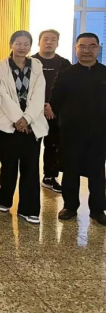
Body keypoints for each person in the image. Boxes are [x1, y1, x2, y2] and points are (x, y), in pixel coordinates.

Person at [51, 33, 106, 226]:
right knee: (70, 170)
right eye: (82, 46)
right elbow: (54, 103)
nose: (87, 50)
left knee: (97, 172)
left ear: (98, 48)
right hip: (71, 132)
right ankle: (70, 206)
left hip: (100, 133)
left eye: (92, 46)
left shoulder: (104, 73)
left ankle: (98, 209)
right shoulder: (66, 74)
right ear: (76, 49)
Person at [0, 31, 47, 225]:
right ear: (11, 44)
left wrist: (27, 118)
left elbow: (39, 94)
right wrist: (18, 119)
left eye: (26, 44)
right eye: (18, 43)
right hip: (8, 125)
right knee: (8, 166)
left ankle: (29, 209)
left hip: (32, 126)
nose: (22, 47)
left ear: (30, 46)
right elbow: (2, 94)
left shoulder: (37, 65)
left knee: (31, 167)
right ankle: (4, 200)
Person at [32, 29, 71, 193]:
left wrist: (52, 106)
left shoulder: (64, 63)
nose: (49, 42)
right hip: (32, 113)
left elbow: (68, 89)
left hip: (54, 113)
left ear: (57, 43)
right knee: (31, 148)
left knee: (53, 146)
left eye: (53, 39)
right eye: (45, 39)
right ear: (39, 42)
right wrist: (41, 105)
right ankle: (29, 178)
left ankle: (49, 177)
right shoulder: (30, 61)